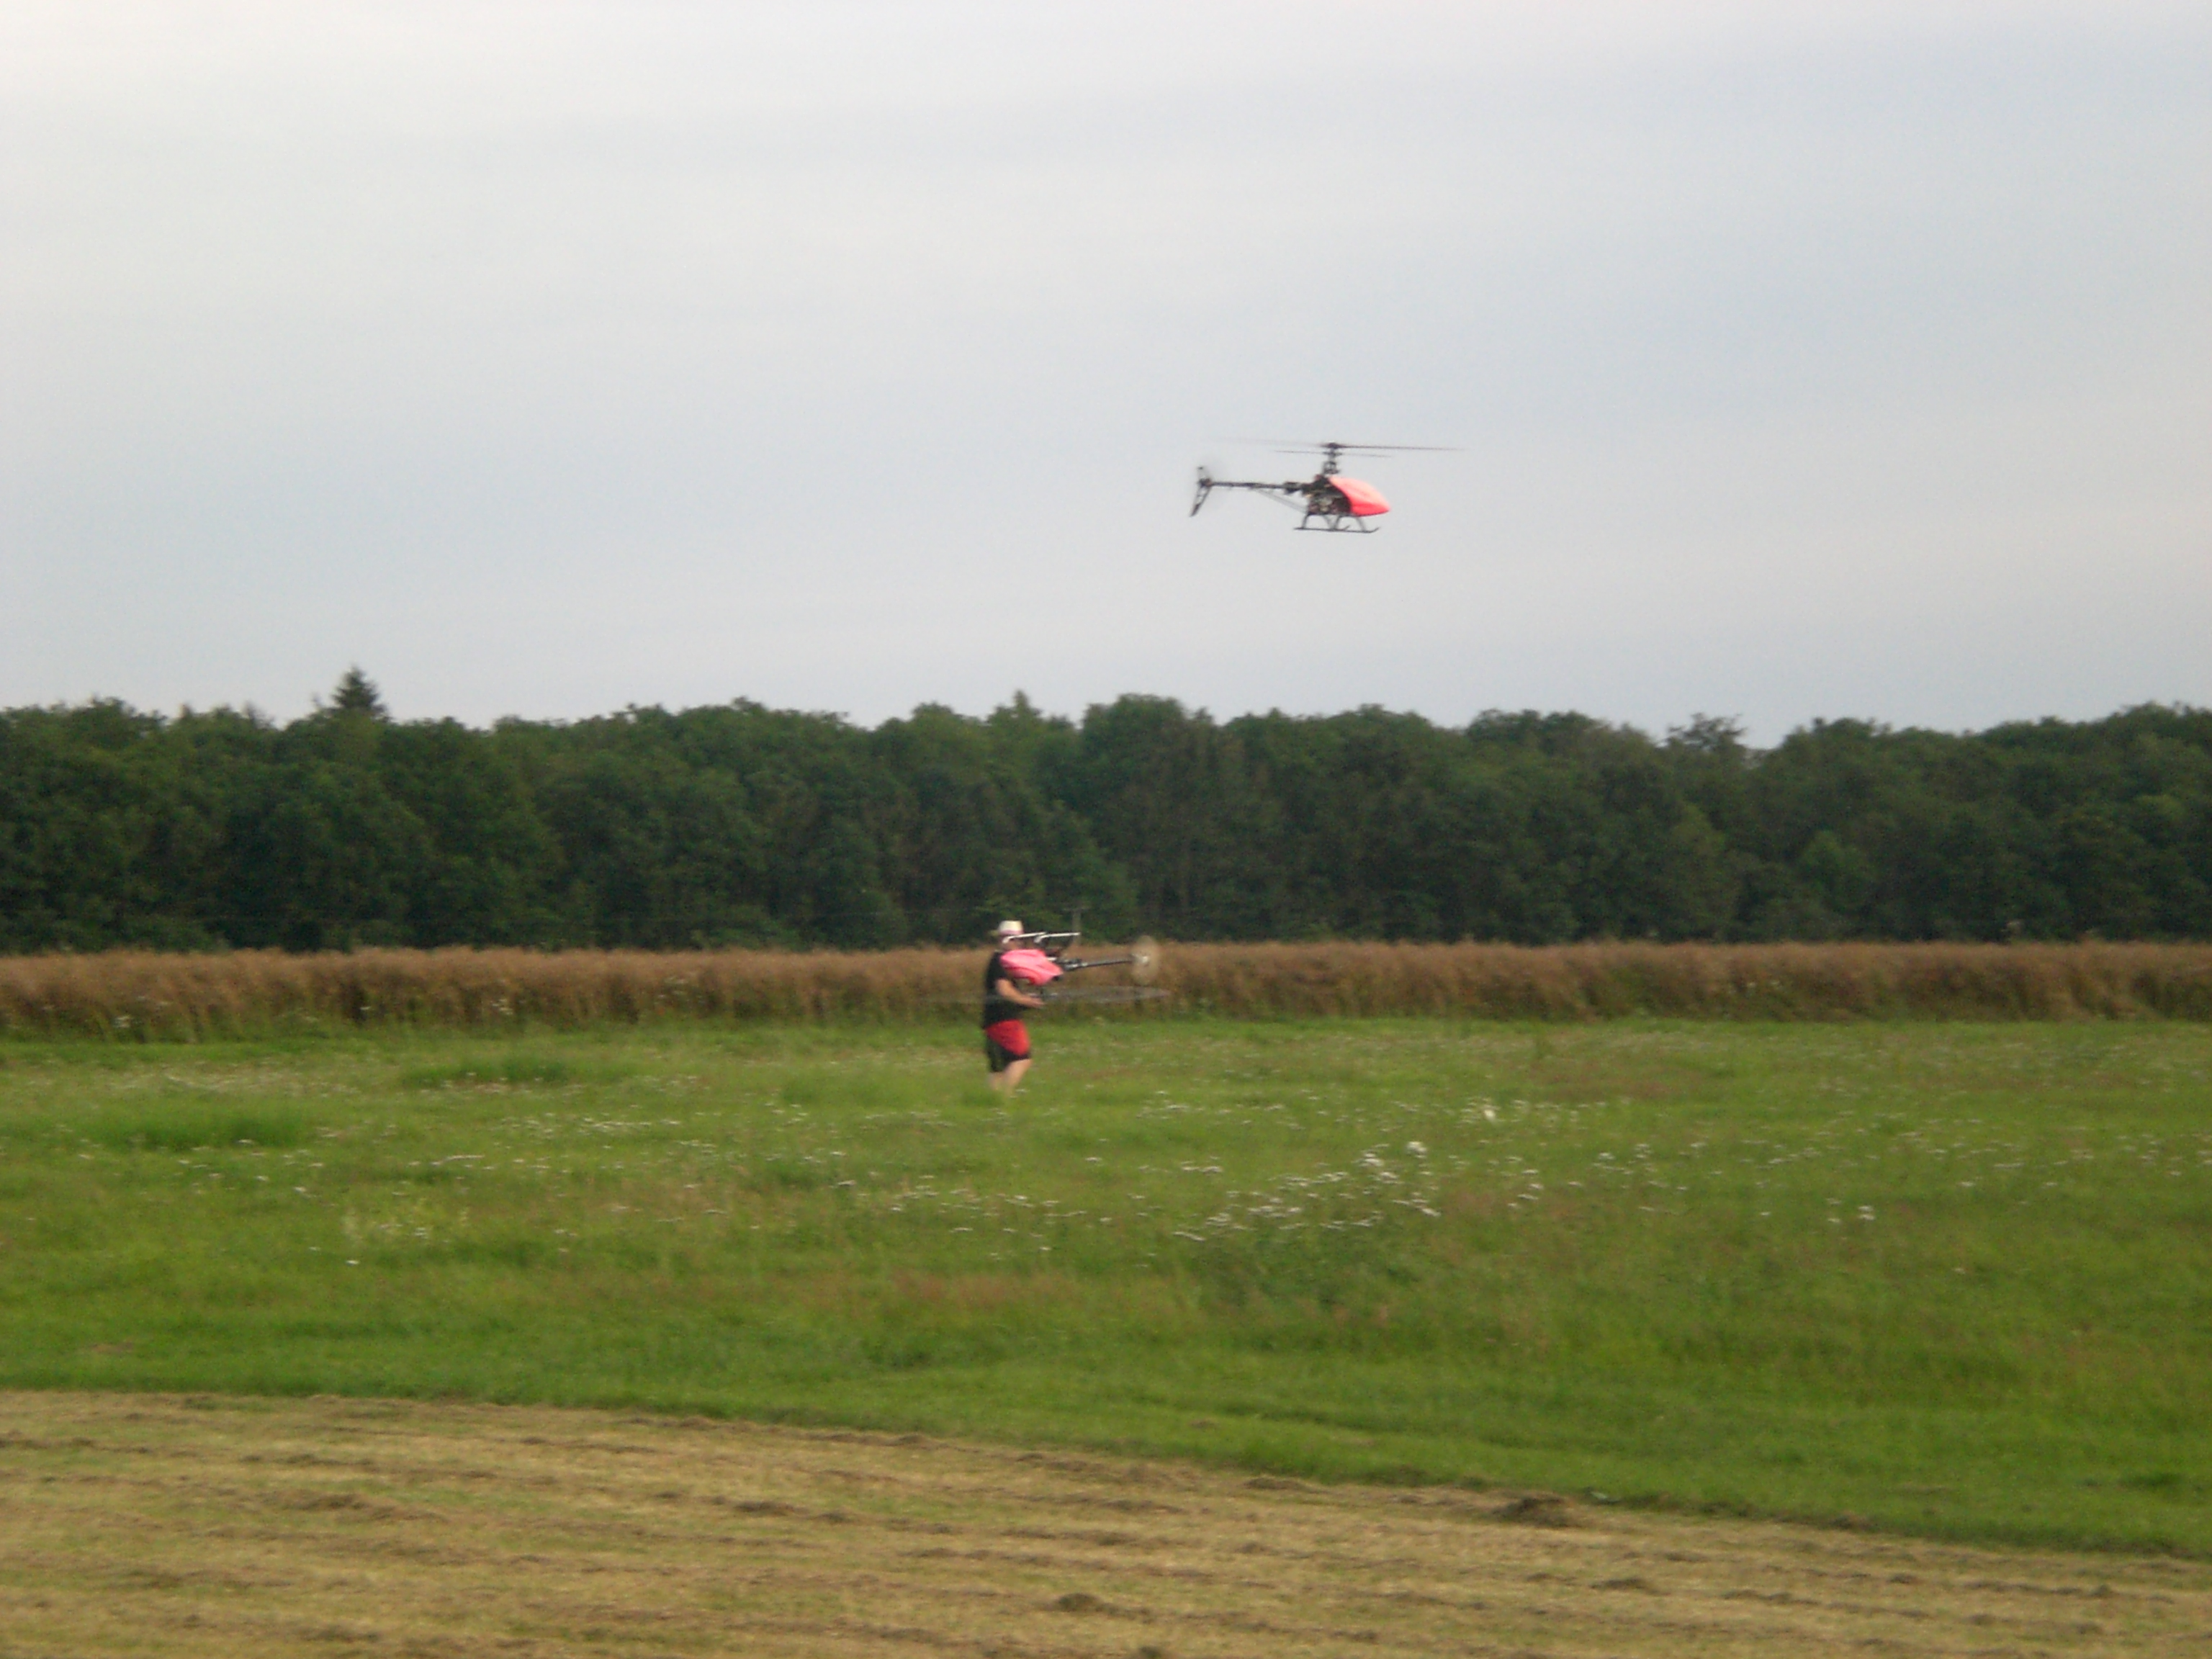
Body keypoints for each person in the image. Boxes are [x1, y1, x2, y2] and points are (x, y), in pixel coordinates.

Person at [982, 919, 1045, 1091]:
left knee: (998, 1068)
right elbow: (1004, 990)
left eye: (1020, 940)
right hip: (1005, 1020)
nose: (1019, 944)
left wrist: (1024, 999)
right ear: (1005, 940)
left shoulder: (998, 960)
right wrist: (1027, 1001)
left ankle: (991, 1100)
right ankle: (1004, 1097)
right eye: (1016, 940)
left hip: (992, 1020)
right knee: (1022, 1059)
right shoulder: (1001, 961)